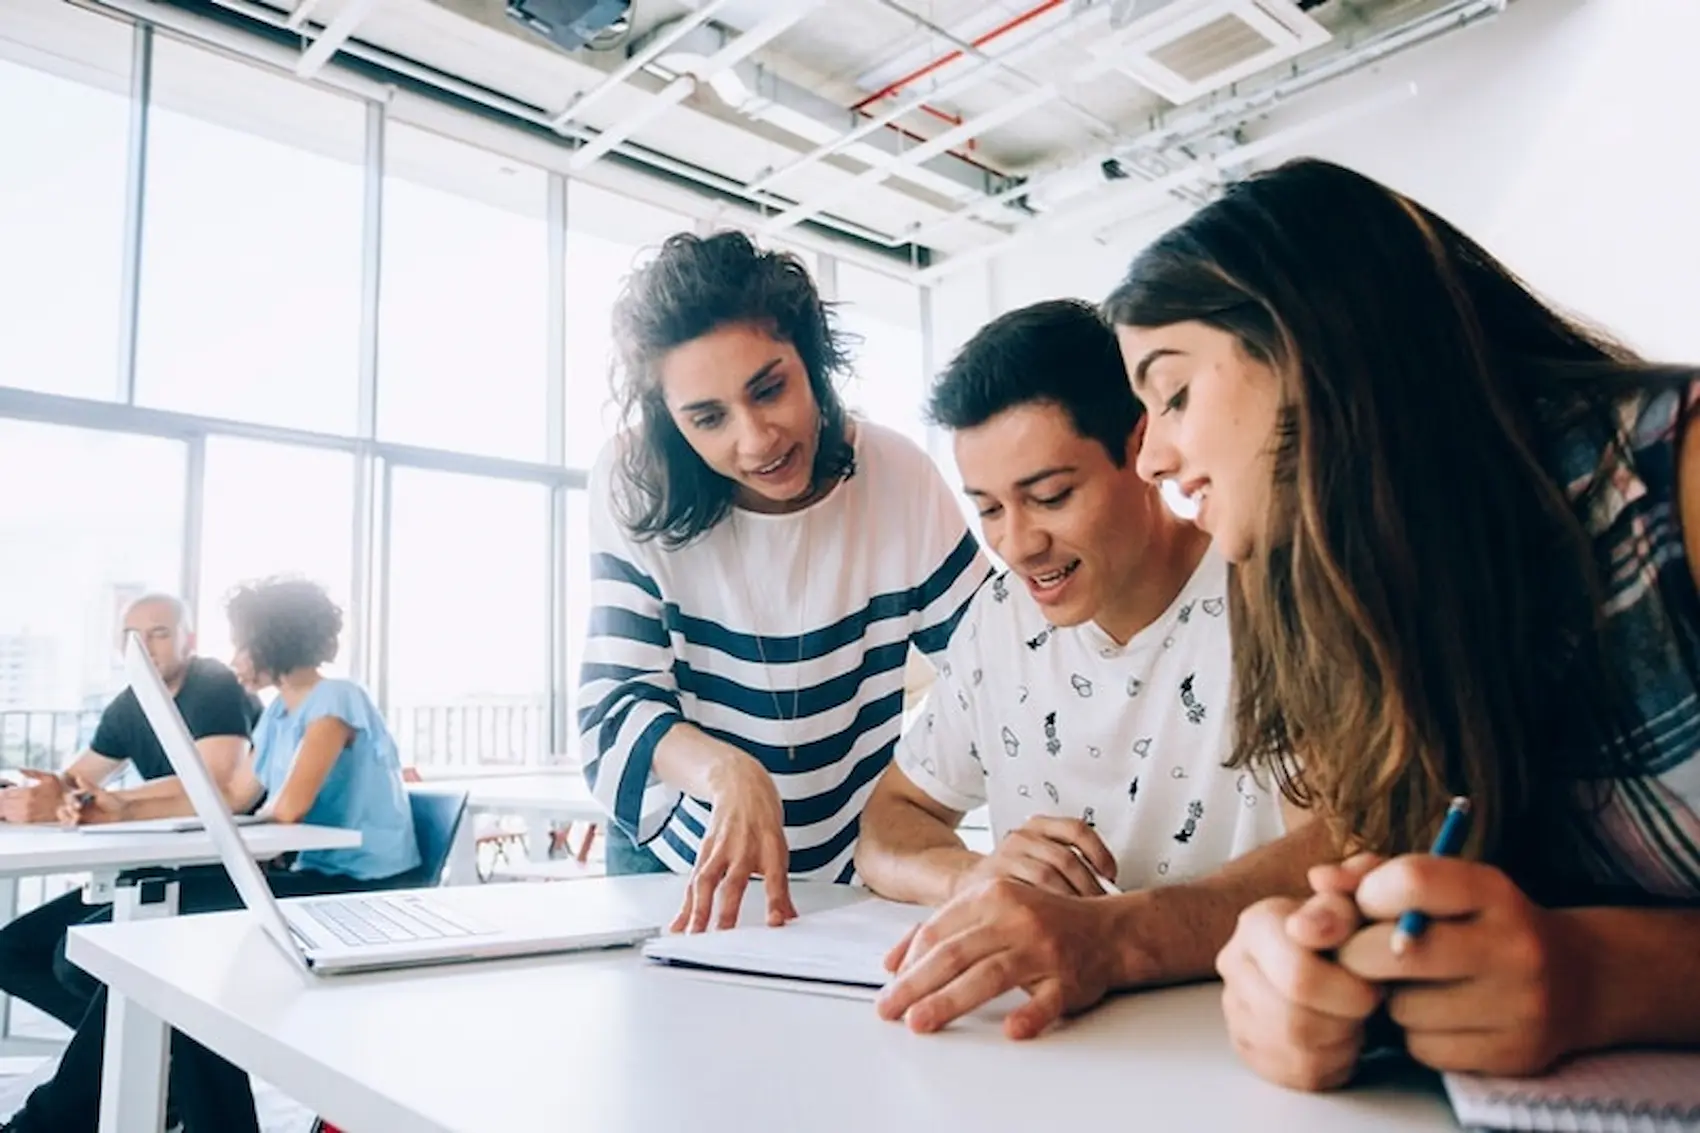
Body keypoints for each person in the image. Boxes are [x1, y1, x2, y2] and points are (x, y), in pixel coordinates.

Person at [1106, 157, 1700, 1090]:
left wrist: (1603, 976)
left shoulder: (1677, 476)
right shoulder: (1334, 594)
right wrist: (1317, 969)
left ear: (1313, 342)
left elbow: (1570, 958)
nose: (1152, 458)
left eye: (1173, 392)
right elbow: (1363, 855)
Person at [856, 299, 1325, 1039]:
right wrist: (975, 876)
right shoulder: (997, 619)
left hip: (1235, 1039)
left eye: (1050, 496)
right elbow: (887, 825)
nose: (1018, 543)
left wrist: (1109, 933)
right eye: (988, 508)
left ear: (1142, 444)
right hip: (1046, 1046)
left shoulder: (1270, 591)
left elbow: (1343, 842)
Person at [580, 230, 989, 932]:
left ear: (813, 360)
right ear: (673, 423)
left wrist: (923, 801)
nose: (757, 439)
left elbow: (1000, 669)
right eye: (708, 418)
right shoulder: (635, 482)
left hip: (848, 859)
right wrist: (724, 771)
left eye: (770, 388)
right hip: (679, 861)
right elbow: (614, 710)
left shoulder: (898, 478)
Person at [3, 577, 420, 1133]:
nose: (235, 656)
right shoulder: (274, 717)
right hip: (306, 874)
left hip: (356, 888)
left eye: (242, 641)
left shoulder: (336, 699)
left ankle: (52, 1123)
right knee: (153, 960)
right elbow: (242, 796)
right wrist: (122, 807)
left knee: (145, 940)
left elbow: (288, 807)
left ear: (273, 640)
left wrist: (152, 807)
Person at [0, 593, 260, 1032]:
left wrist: (105, 803)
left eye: (159, 633)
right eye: (132, 636)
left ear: (188, 639)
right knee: (11, 951)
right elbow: (78, 778)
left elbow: (214, 781)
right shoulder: (130, 704)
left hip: (222, 869)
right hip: (159, 867)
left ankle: (149, 1069)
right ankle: (135, 1067)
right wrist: (26, 795)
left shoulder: (213, 683)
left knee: (76, 958)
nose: (145, 646)